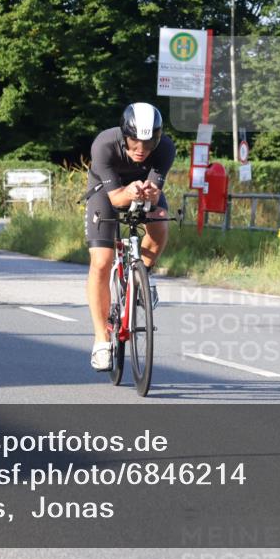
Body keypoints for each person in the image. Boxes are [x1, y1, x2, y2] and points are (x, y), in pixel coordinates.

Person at [84, 103, 175, 371]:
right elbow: (115, 198)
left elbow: (156, 192)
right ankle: (101, 340)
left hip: (142, 191)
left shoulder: (166, 148)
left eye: (148, 144)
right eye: (135, 141)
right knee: (101, 260)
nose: (141, 149)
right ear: (125, 135)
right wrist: (131, 191)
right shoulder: (104, 144)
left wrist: (150, 193)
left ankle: (142, 273)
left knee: (160, 225)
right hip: (105, 191)